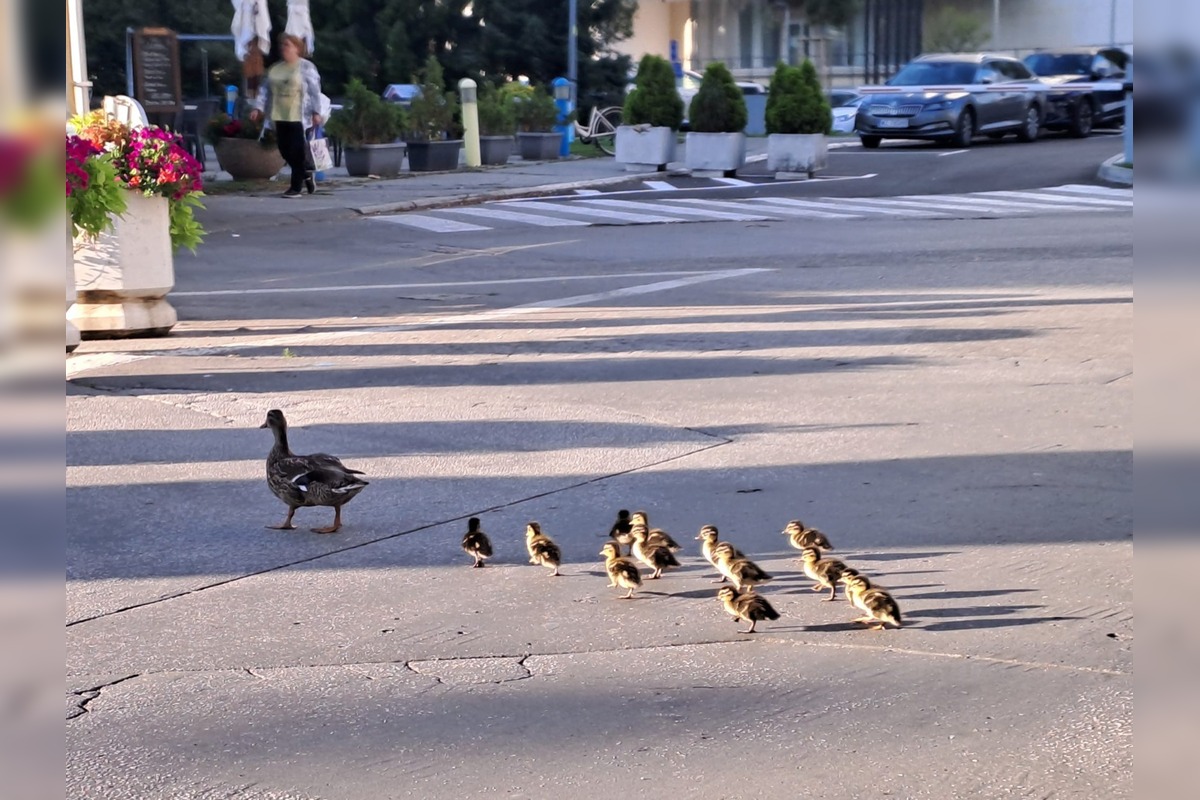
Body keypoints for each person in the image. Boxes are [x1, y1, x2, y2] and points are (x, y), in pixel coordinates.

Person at [250, 33, 322, 198]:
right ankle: (305, 173)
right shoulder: (275, 69)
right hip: (278, 113)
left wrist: (316, 111)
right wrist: (258, 108)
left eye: (288, 45)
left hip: (297, 114)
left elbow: (314, 91)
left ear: (297, 48)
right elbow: (264, 90)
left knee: (296, 150)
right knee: (284, 150)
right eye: (283, 46)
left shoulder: (305, 68)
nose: (284, 49)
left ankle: (295, 187)